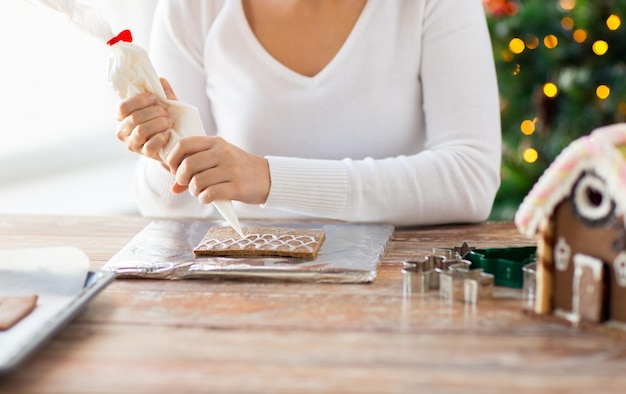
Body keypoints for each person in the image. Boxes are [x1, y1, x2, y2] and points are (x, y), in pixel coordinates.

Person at [115, 0, 501, 226]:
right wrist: (168, 157)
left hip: (404, 285)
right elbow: (172, 208)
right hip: (248, 293)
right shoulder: (191, 7)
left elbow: (471, 177)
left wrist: (268, 178)